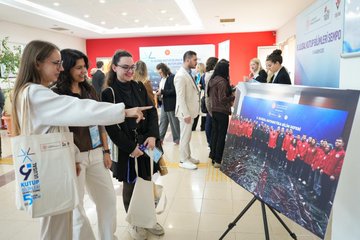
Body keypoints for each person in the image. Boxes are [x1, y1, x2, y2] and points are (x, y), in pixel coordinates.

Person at [11, 40, 150, 240]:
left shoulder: (31, 92)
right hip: (52, 166)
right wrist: (124, 111)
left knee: (64, 220)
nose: (60, 68)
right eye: (55, 63)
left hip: (64, 160)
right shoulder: (36, 94)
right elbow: (78, 109)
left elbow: (63, 128)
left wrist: (101, 150)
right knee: (58, 225)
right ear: (37, 63)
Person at [51, 49, 117, 240]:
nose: (84, 71)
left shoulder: (89, 90)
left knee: (108, 200)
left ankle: (108, 237)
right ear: (66, 68)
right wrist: (66, 158)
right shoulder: (56, 95)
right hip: (73, 156)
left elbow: (100, 121)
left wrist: (106, 150)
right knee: (77, 207)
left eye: (85, 67)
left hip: (96, 152)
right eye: (78, 67)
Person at [101, 50, 164, 240]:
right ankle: (135, 222)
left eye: (132, 67)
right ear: (114, 67)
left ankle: (149, 218)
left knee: (147, 180)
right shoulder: (109, 93)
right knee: (130, 184)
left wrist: (153, 136)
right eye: (125, 67)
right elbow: (111, 127)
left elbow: (152, 112)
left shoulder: (138, 86)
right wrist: (130, 147)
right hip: (127, 147)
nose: (130, 71)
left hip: (147, 143)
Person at [174, 50, 200, 170]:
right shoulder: (180, 76)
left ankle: (188, 156)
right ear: (188, 60)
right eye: (195, 59)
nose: (196, 62)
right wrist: (185, 114)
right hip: (185, 112)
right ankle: (182, 160)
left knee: (188, 136)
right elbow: (180, 97)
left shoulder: (188, 73)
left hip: (190, 111)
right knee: (184, 137)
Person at [208, 59, 235, 168]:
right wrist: (233, 96)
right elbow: (223, 99)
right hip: (222, 111)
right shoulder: (222, 82)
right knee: (221, 135)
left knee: (215, 134)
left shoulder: (213, 80)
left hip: (214, 110)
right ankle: (218, 160)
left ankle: (213, 156)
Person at [155, 63, 180, 145]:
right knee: (162, 122)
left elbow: (174, 91)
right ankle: (159, 139)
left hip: (171, 104)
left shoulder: (172, 77)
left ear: (165, 70)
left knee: (174, 123)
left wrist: (162, 92)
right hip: (163, 104)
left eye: (161, 72)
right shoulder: (162, 79)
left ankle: (178, 139)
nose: (160, 74)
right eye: (159, 73)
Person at [203, 57, 218, 149]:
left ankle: (210, 142)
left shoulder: (206, 74)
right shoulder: (213, 75)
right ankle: (212, 143)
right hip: (213, 103)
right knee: (212, 124)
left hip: (208, 101)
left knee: (208, 123)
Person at [192, 62, 206, 131]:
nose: (196, 68)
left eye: (197, 67)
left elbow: (205, 86)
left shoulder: (204, 76)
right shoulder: (196, 76)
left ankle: (203, 127)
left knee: (203, 111)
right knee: (196, 111)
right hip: (196, 95)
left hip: (202, 95)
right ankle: (193, 127)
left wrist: (201, 86)